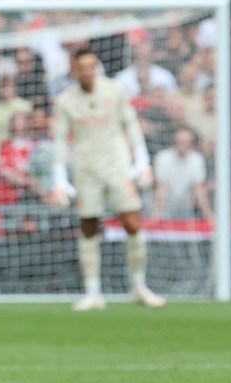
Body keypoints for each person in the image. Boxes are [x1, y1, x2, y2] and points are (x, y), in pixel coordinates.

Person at [51, 47, 165, 311]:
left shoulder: (115, 91)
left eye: (92, 65)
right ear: (75, 70)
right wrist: (59, 177)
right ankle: (92, 292)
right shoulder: (66, 101)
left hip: (117, 165)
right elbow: (59, 140)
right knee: (89, 225)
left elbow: (131, 125)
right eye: (82, 67)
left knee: (132, 222)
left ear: (97, 66)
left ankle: (139, 286)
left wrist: (142, 161)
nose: (87, 71)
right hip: (86, 168)